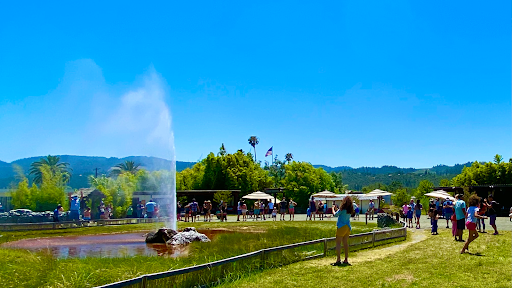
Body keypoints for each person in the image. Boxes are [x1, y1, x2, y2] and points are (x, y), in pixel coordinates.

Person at [331, 196, 355, 266]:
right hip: (348, 227)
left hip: (341, 227)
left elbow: (335, 215)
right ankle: (346, 259)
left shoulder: (342, 209)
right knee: (345, 244)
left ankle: (338, 259)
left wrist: (333, 208)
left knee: (338, 243)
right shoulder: (350, 210)